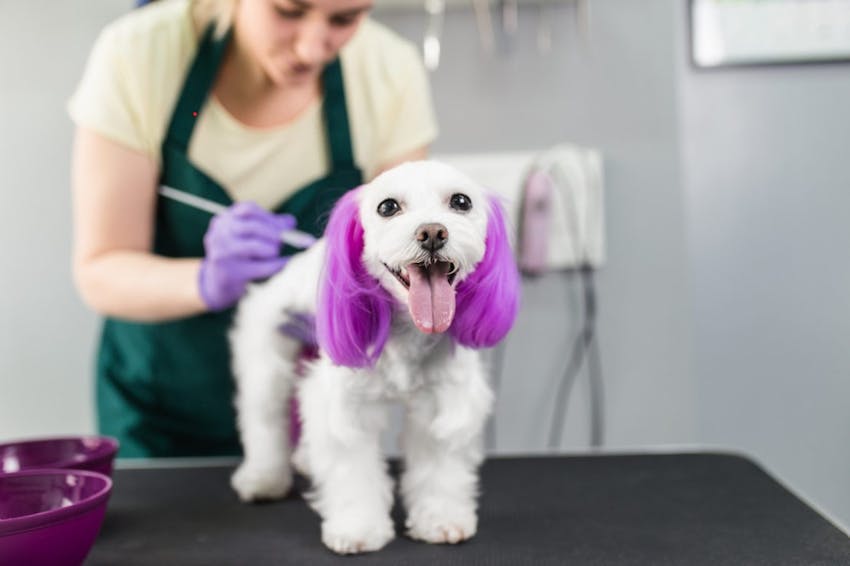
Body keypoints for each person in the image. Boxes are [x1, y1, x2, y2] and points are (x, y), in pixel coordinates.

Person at [68, 0, 438, 458]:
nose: (311, 48)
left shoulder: (389, 71)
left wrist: (361, 304)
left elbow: (401, 258)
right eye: (288, 10)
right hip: (159, 407)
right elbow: (100, 268)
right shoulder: (139, 54)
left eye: (344, 19)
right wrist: (205, 281)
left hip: (313, 409)